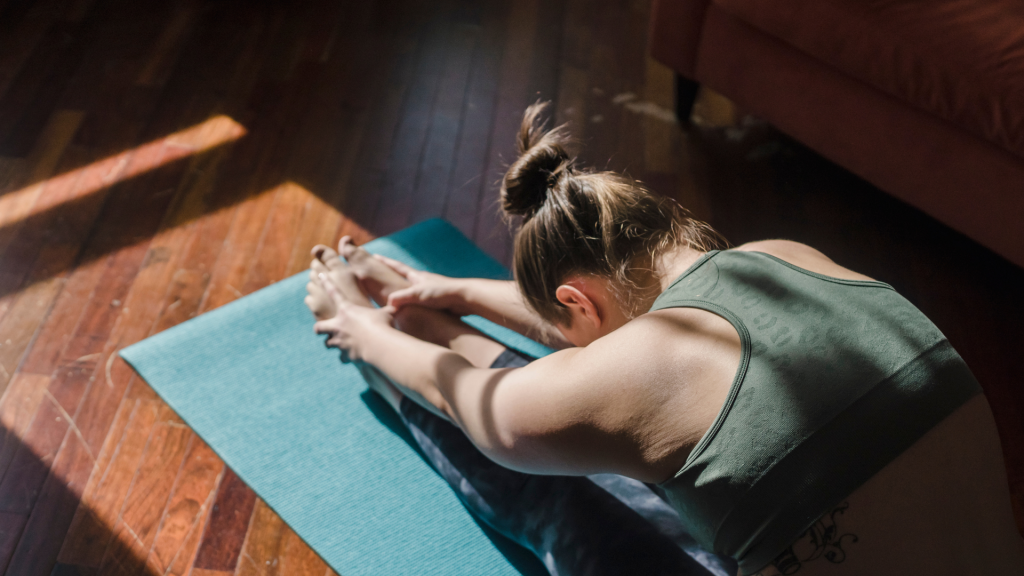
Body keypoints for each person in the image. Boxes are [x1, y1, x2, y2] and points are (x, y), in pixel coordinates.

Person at [304, 103, 1024, 576]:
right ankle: (426, 322)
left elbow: (485, 409)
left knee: (577, 499)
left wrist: (360, 328)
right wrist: (455, 291)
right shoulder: (783, 258)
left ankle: (405, 351)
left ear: (574, 300)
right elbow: (603, 336)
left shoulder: (648, 367)